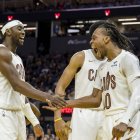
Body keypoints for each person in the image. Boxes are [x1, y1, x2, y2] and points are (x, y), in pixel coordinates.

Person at [58, 21, 140, 140]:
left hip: (125, 116)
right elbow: (95, 99)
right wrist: (62, 104)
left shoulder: (128, 59)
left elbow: (138, 93)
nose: (91, 42)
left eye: (94, 38)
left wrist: (125, 121)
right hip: (107, 118)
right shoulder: (102, 67)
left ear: (106, 39)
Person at [0, 20, 66, 140]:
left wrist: (35, 122)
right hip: (3, 112)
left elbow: (21, 94)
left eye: (24, 29)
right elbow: (17, 85)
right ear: (8, 32)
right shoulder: (2, 52)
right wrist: (49, 97)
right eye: (19, 29)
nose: (23, 32)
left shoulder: (17, 58)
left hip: (17, 114)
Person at [43, 21, 108, 140]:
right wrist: (58, 118)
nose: (92, 41)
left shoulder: (116, 59)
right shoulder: (81, 57)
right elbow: (61, 87)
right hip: (84, 113)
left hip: (108, 114)